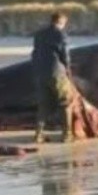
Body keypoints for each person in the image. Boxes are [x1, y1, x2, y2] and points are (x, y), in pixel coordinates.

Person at [31, 12, 74, 143]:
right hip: (56, 72)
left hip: (40, 72)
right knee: (65, 102)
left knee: (43, 104)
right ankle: (67, 134)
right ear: (62, 22)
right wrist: (68, 69)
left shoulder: (39, 34)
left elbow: (34, 52)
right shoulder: (60, 34)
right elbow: (65, 55)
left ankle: (38, 134)